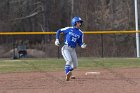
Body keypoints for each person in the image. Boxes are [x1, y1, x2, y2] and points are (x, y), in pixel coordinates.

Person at [55, 16, 87, 81]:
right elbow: (58, 31)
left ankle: (69, 72)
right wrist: (57, 40)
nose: (80, 24)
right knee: (69, 60)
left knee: (75, 66)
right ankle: (67, 73)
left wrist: (82, 45)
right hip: (66, 48)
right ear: (74, 22)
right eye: (78, 22)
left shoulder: (81, 33)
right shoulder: (69, 29)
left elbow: (80, 42)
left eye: (80, 22)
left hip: (73, 50)